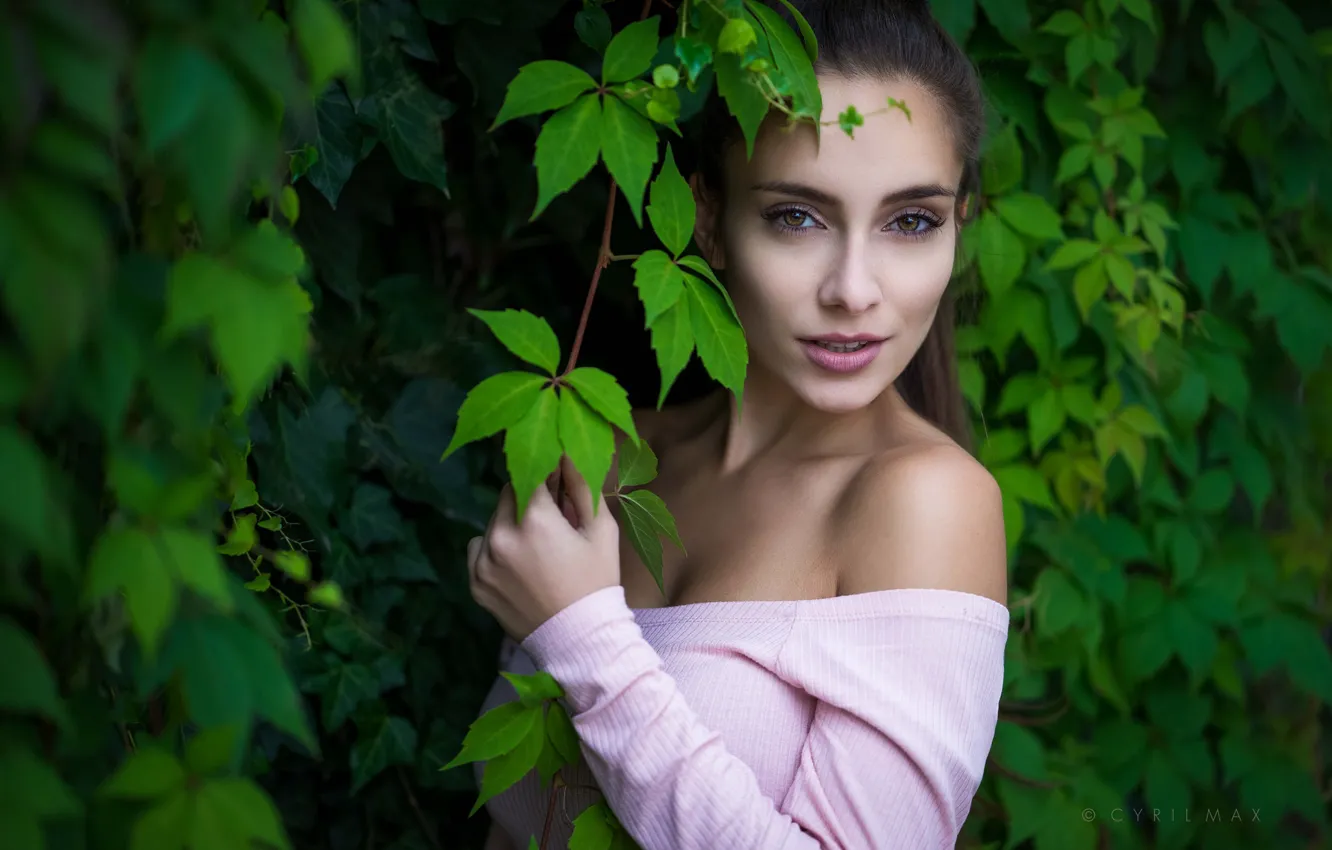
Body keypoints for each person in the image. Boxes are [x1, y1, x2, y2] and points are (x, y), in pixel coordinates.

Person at [467, 1, 1009, 847]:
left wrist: (582, 639)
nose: (855, 291)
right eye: (798, 216)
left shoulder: (925, 504)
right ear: (709, 219)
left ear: (957, 224)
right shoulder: (608, 451)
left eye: (911, 221)